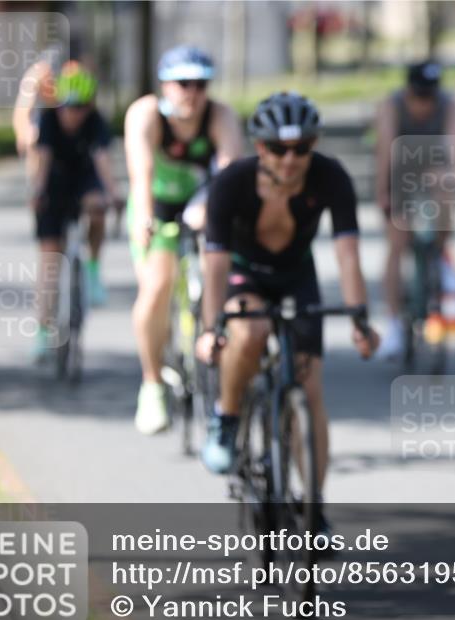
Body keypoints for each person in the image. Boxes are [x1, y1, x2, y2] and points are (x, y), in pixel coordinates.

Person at [195, 93, 378, 533]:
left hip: (296, 275)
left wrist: (360, 319)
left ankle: (314, 507)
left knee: (310, 390)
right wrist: (210, 329)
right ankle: (227, 416)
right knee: (250, 332)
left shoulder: (330, 176)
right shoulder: (232, 183)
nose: (291, 159)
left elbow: (348, 254)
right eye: (278, 149)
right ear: (260, 148)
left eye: (302, 148)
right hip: (244, 274)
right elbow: (215, 264)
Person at [124, 45, 243, 435]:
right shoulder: (145, 114)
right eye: (183, 83)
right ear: (165, 85)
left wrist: (214, 212)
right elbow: (141, 173)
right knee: (157, 287)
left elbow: (230, 175)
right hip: (156, 206)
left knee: (219, 272)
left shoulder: (220, 116)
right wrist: (145, 218)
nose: (192, 92)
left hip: (202, 204)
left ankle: (211, 350)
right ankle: (152, 384)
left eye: (200, 84)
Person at [373, 60, 455, 357]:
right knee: (397, 243)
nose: (425, 104)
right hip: (399, 172)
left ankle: (439, 256)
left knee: (445, 193)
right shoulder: (392, 106)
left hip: (433, 170)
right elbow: (385, 151)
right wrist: (383, 193)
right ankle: (393, 324)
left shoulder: (448, 106)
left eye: (430, 96)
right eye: (419, 96)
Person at [27, 61, 119, 361]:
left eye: (79, 107)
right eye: (67, 106)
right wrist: (37, 191)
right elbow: (42, 159)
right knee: (49, 260)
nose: (73, 113)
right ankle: (43, 331)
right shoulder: (48, 120)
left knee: (97, 207)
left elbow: (102, 159)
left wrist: (113, 193)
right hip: (54, 184)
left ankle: (92, 268)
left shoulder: (96, 122)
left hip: (83, 180)